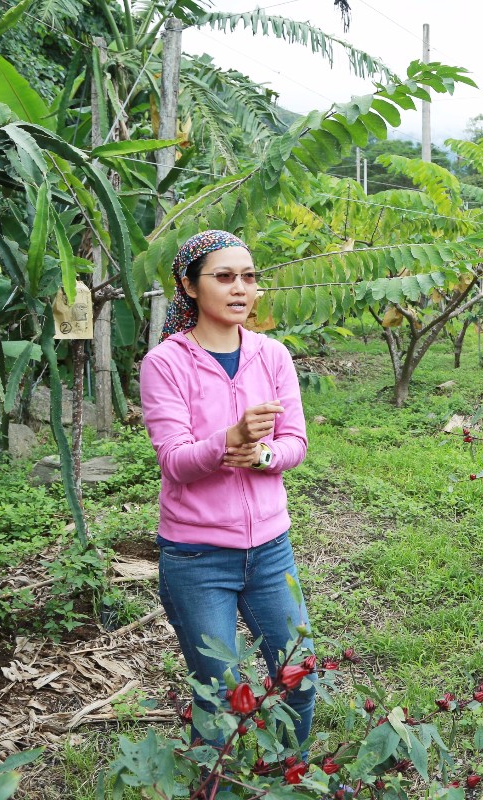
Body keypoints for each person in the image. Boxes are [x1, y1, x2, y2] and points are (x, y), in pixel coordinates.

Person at [139, 230, 315, 751]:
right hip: (197, 557)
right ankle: (217, 787)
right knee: (218, 694)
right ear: (189, 287)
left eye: (249, 277)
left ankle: (290, 777)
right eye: (224, 276)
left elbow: (295, 443)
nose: (241, 288)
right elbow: (175, 461)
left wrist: (263, 456)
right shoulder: (165, 364)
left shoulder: (272, 356)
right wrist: (229, 440)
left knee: (299, 678)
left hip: (270, 551)